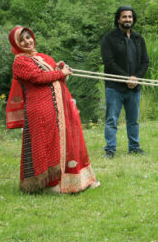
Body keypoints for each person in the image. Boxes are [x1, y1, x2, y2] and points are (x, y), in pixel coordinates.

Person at [6, 26, 99, 194]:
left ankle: (79, 179)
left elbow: (55, 72)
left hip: (57, 108)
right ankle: (50, 184)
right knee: (46, 146)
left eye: (28, 37)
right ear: (16, 44)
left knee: (66, 141)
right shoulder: (19, 62)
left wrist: (60, 68)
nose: (27, 42)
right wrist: (61, 73)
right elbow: (38, 77)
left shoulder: (42, 57)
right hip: (39, 111)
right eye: (21, 40)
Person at [100, 6, 149, 158]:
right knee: (111, 120)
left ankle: (134, 147)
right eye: (124, 17)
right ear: (118, 19)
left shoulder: (138, 39)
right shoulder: (109, 38)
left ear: (133, 19)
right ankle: (110, 149)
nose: (127, 19)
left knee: (133, 120)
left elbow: (145, 61)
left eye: (130, 17)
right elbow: (109, 62)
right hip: (114, 87)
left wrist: (136, 78)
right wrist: (126, 78)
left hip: (134, 87)